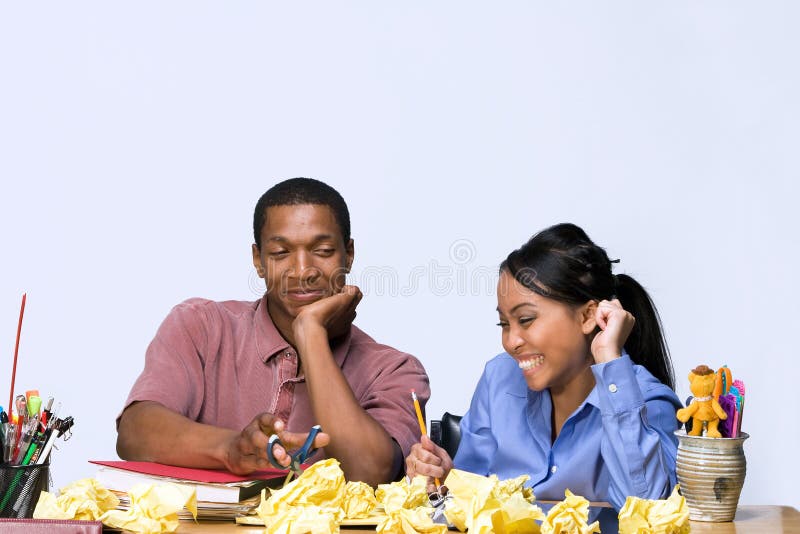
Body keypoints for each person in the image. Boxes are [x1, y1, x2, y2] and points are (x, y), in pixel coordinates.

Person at [117, 177, 430, 486]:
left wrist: (311, 335)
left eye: (322, 250)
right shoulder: (201, 326)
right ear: (259, 260)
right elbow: (134, 435)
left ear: (348, 254)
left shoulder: (395, 371)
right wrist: (231, 449)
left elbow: (369, 473)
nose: (302, 270)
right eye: (281, 253)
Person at [406, 223, 680, 511]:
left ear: (589, 316)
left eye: (525, 320)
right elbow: (465, 507)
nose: (511, 342)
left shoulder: (647, 401)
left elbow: (648, 511)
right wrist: (443, 479)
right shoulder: (499, 379)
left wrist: (610, 359)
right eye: (504, 324)